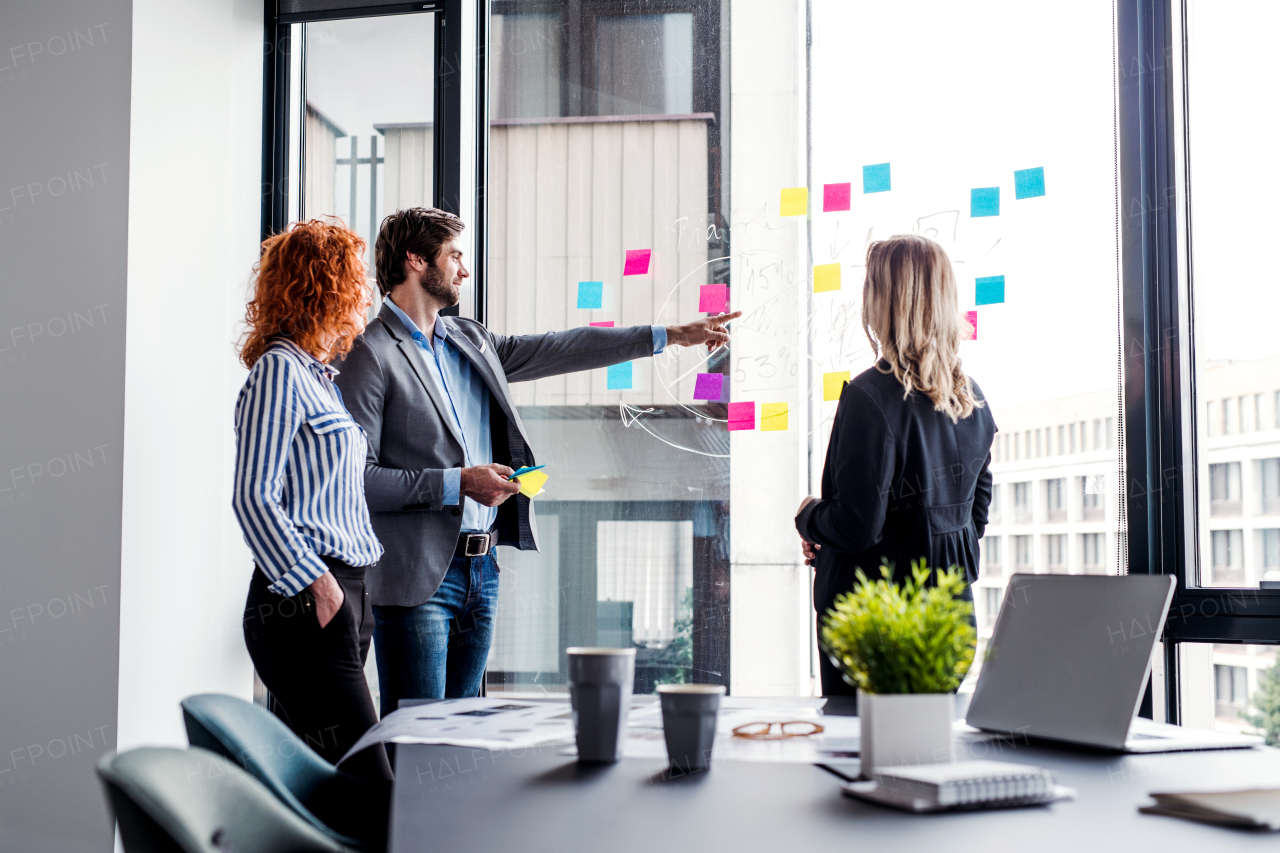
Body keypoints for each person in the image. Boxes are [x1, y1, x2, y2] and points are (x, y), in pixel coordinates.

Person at [335, 207, 739, 714]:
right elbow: (356, 482)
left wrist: (671, 336)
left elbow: (562, 347)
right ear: (415, 260)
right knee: (416, 741)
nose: (464, 269)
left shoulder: (469, 340)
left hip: (482, 570)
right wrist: (456, 483)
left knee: (460, 740)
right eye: (454, 255)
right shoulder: (370, 353)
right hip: (418, 580)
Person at [794, 234, 996, 697]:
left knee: (862, 758)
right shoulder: (973, 400)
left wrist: (809, 516)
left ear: (884, 301)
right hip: (947, 623)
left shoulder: (869, 396)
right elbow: (973, 519)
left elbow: (856, 527)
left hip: (874, 627)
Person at [234, 219, 392, 782]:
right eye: (356, 280)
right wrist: (319, 584)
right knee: (372, 786)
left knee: (332, 784)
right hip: (304, 598)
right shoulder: (278, 371)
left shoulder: (318, 378)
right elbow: (253, 497)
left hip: (345, 591)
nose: (367, 295)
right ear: (325, 287)